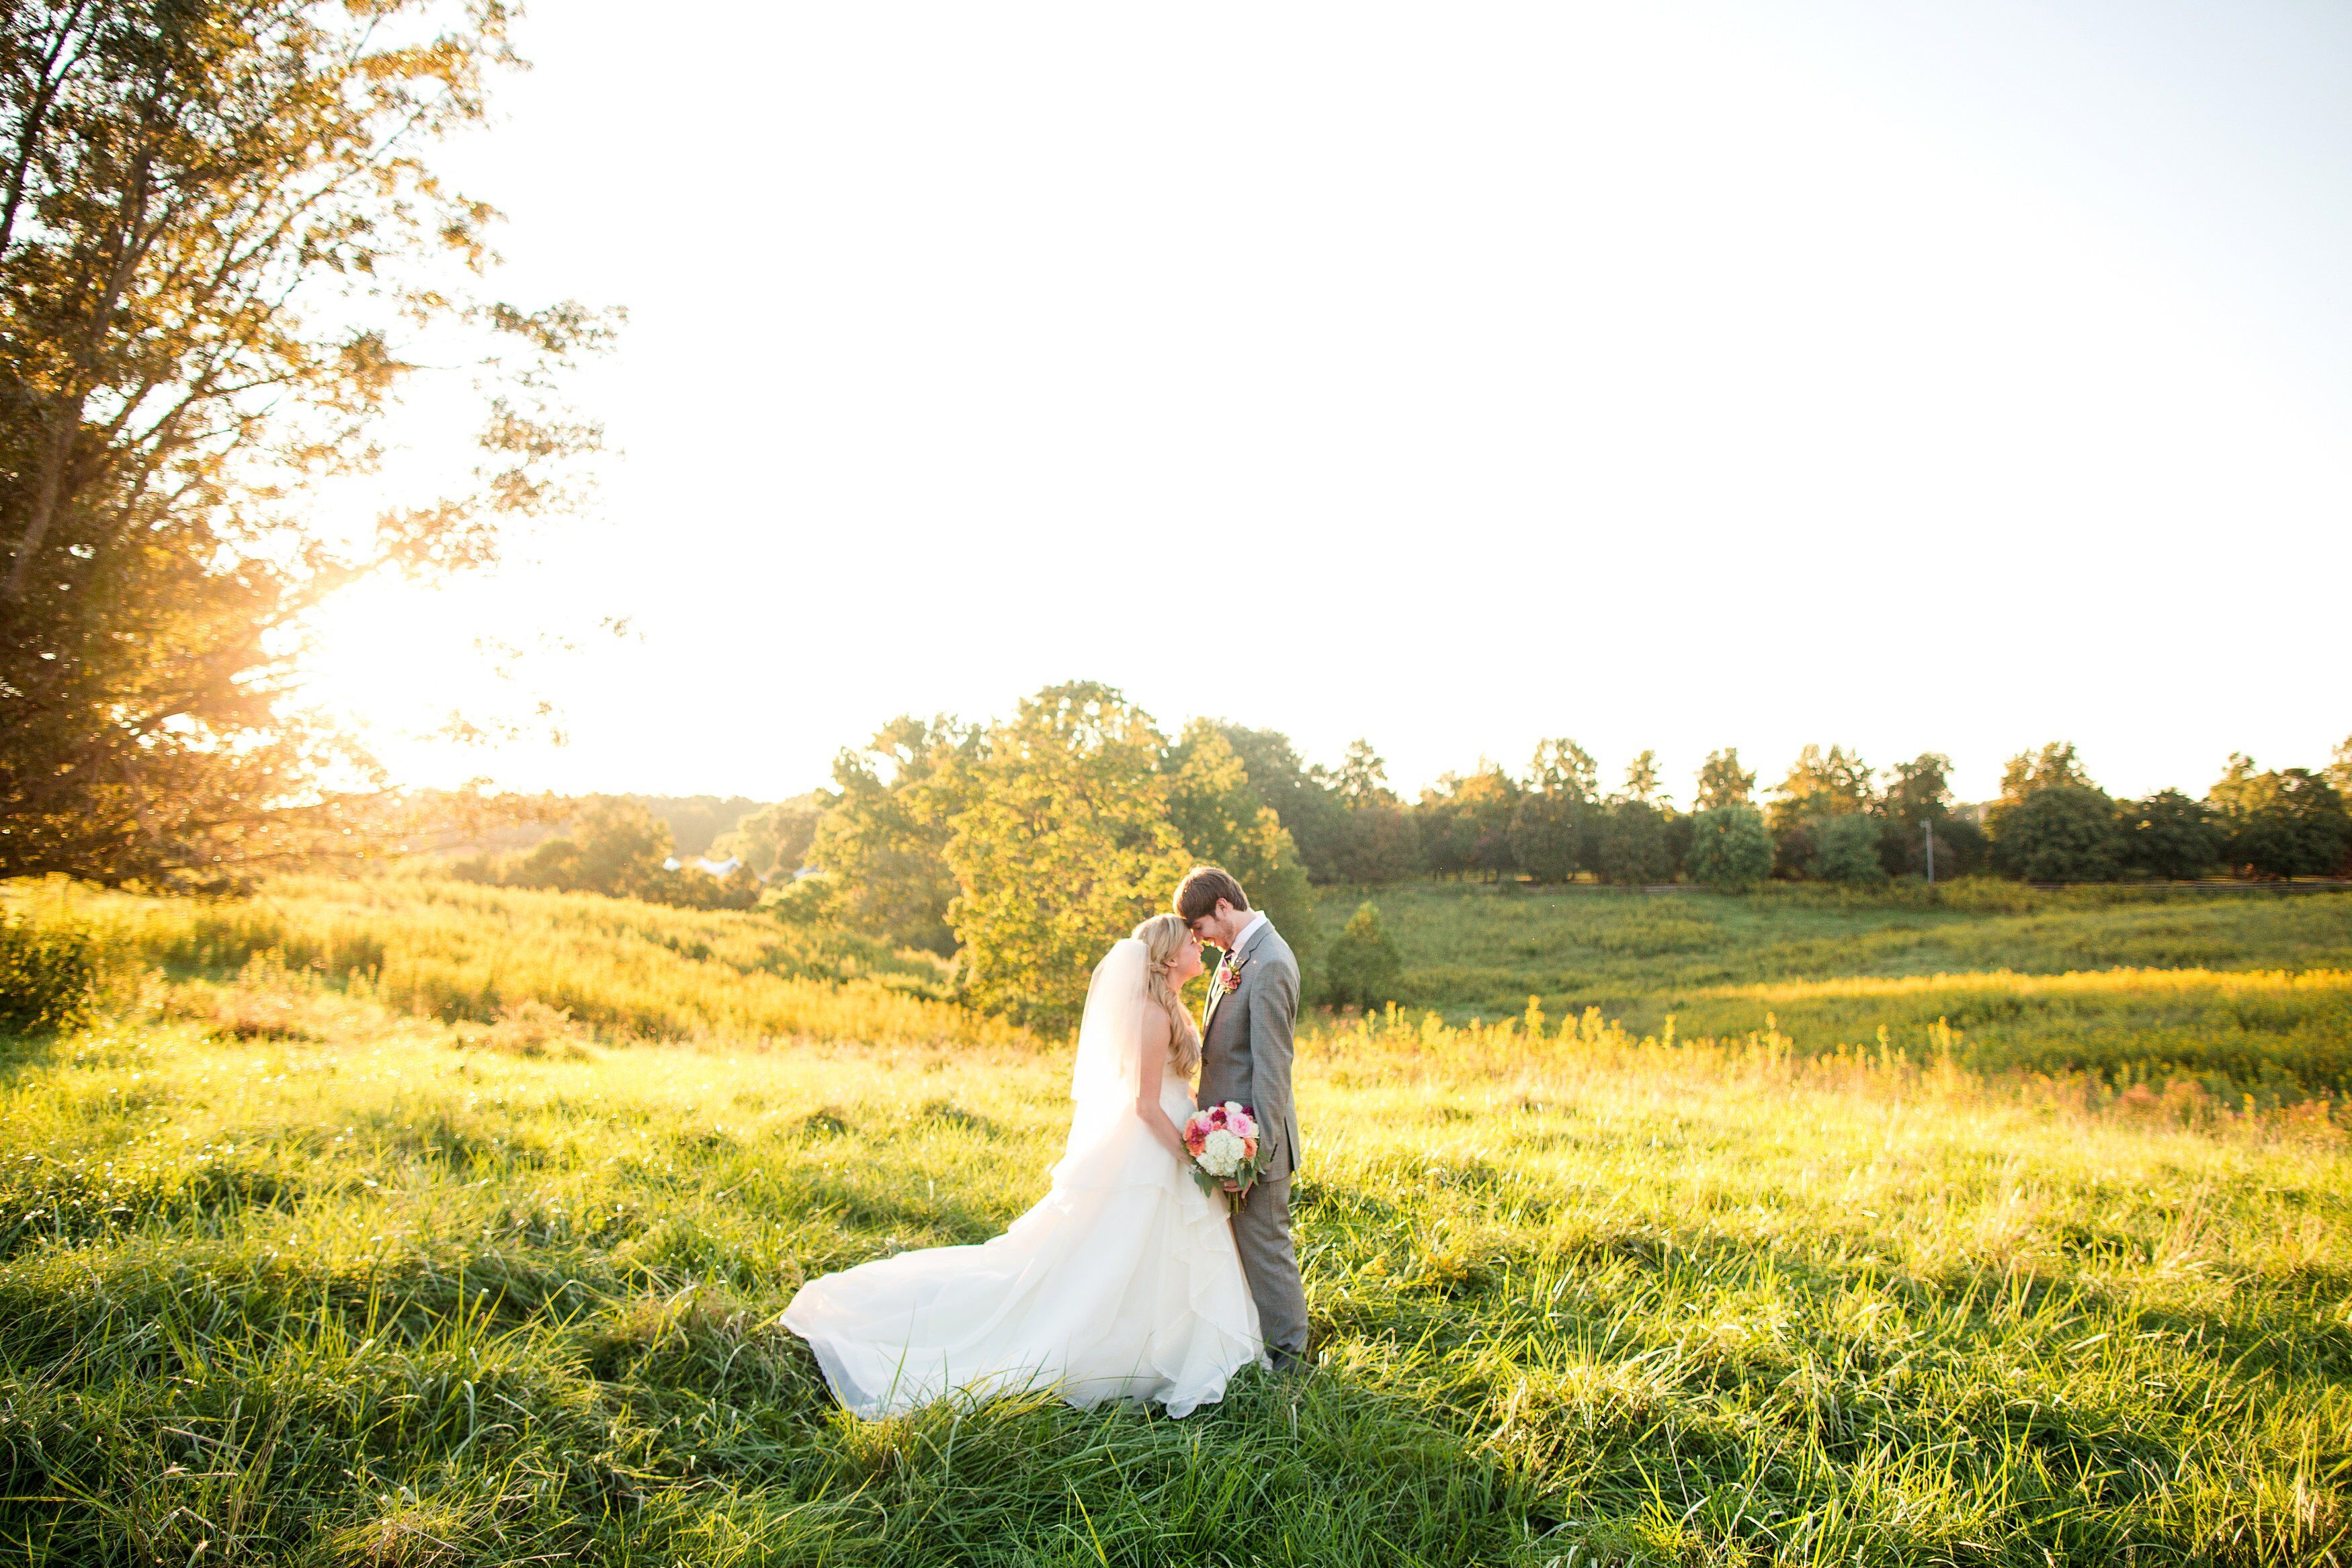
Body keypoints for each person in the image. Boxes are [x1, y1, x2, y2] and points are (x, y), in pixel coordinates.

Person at [782, 913, 1265, 1417]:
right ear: (1169, 958)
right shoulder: (1152, 1014)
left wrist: (1213, 1132)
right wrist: (1192, 1157)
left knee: (1151, 1253)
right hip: (1152, 1148)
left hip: (1175, 1136)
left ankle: (1170, 1341)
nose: (1200, 947)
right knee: (1116, 1256)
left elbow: (1171, 1088)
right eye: (1192, 942)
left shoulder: (1168, 1006)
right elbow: (1145, 1105)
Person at [1175, 864, 1309, 1372]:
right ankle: (1255, 1354)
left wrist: (1256, 1158)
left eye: (1200, 927)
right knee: (1249, 1255)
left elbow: (1273, 1071)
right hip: (1229, 1142)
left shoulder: (1270, 962)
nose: (1199, 939)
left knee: (1268, 1255)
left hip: (1257, 1147)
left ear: (1223, 908)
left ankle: (1291, 1369)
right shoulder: (1237, 955)